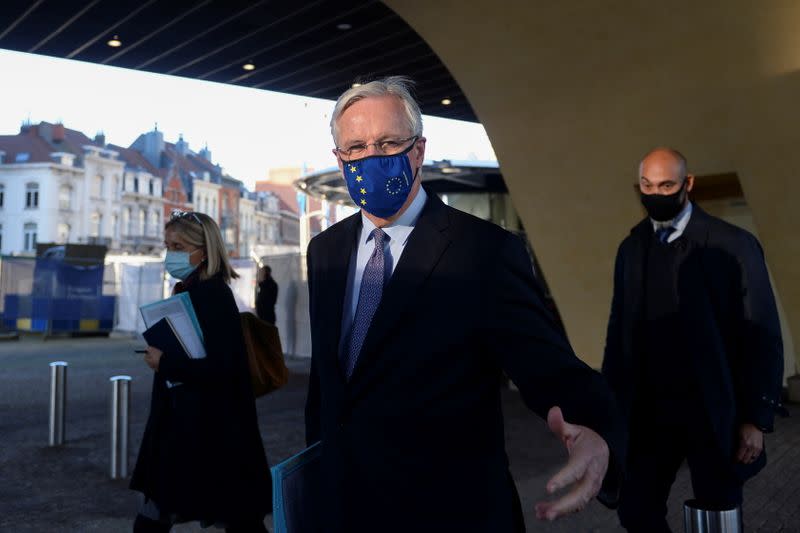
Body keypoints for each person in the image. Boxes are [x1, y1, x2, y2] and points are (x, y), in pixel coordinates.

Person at [303, 76, 626, 532]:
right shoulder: (325, 251)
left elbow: (548, 365)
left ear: (418, 151)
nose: (370, 157)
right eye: (356, 147)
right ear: (339, 160)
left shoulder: (485, 251)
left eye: (388, 142)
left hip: (449, 510)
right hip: (344, 507)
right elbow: (328, 381)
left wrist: (596, 431)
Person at [602, 148, 785, 532]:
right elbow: (618, 335)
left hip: (714, 408)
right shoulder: (631, 249)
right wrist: (607, 409)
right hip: (650, 413)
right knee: (635, 509)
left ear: (688, 184)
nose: (656, 193)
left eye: (666, 185)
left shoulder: (732, 244)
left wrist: (757, 417)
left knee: (717, 510)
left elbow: (762, 331)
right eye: (647, 186)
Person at [131, 211, 272, 533]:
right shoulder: (196, 288)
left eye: (179, 245)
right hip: (200, 424)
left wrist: (163, 362)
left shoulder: (209, 295)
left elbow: (222, 367)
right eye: (167, 245)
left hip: (205, 425)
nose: (171, 254)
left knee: (232, 515)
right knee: (236, 514)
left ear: (203, 250)